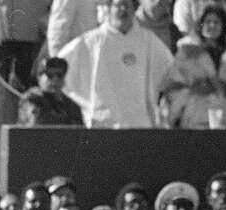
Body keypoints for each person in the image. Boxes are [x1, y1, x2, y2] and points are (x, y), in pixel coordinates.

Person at [59, 0, 174, 128]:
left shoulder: (148, 41)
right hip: (104, 123)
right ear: (109, 8)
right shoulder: (92, 41)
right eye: (118, 5)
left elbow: (169, 72)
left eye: (127, 5)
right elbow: (62, 68)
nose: (123, 10)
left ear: (134, 9)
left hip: (139, 124)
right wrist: (88, 103)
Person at [162, 3, 226, 129]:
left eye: (216, 22)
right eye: (207, 22)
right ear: (200, 24)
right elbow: (172, 88)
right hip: (196, 118)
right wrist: (193, 90)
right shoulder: (186, 51)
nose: (212, 25)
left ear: (223, 25)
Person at [17, 57, 85, 126]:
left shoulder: (72, 105)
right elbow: (36, 124)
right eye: (50, 75)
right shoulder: (33, 98)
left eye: (59, 75)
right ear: (39, 77)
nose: (55, 79)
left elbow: (79, 132)